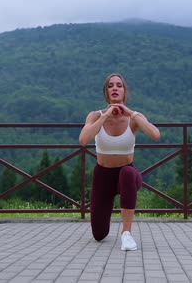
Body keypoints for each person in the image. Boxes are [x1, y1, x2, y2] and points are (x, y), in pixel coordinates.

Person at [79, 73, 160, 251]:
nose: (115, 88)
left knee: (127, 173)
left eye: (119, 85)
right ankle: (113, 229)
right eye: (110, 85)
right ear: (106, 92)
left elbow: (155, 135)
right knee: (99, 235)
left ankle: (126, 233)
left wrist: (132, 113)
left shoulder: (133, 118)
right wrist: (105, 116)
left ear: (124, 91)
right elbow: (83, 140)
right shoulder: (94, 116)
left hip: (127, 173)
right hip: (103, 175)